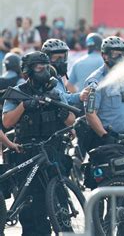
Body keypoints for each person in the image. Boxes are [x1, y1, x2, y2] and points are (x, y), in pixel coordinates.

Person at [2, 51, 75, 236]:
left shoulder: (56, 91)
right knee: (32, 209)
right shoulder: (18, 93)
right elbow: (7, 122)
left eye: (46, 67)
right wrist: (25, 106)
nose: (43, 71)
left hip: (52, 149)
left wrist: (58, 108)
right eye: (39, 67)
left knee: (58, 201)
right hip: (27, 151)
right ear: (27, 71)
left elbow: (71, 120)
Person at [41, 38, 82, 107]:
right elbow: (60, 98)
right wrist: (80, 96)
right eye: (56, 57)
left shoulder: (58, 76)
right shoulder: (47, 77)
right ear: (46, 59)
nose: (60, 61)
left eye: (63, 57)